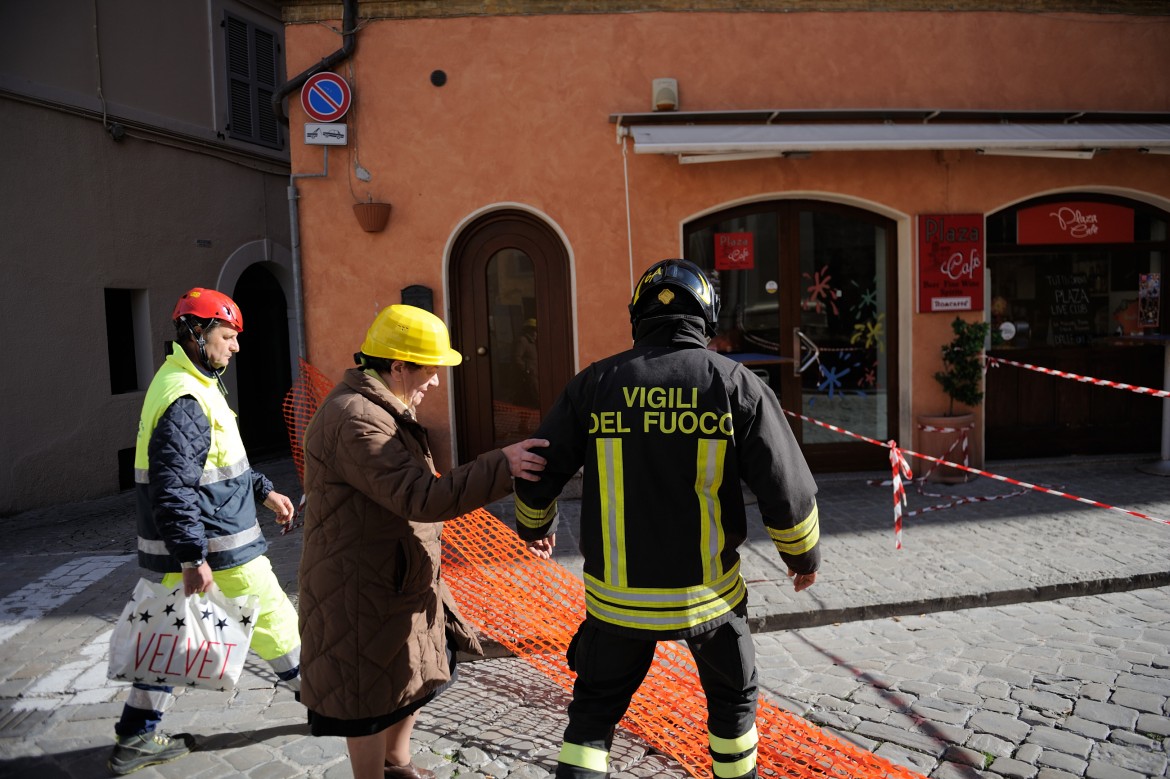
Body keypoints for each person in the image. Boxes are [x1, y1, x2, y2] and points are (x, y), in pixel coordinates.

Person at [513, 259, 822, 779]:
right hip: (708, 599)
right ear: (707, 317)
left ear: (638, 317)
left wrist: (534, 525)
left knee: (593, 711)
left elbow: (538, 464)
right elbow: (787, 487)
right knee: (732, 703)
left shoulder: (596, 383)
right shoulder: (734, 385)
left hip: (616, 602)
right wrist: (802, 557)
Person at [297, 304, 549, 779]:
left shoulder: (385, 407)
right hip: (360, 585)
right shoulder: (356, 418)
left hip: (396, 573)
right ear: (396, 367)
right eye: (428, 369)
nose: (435, 380)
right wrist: (503, 465)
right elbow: (420, 496)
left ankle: (398, 761)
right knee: (369, 693)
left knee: (424, 671)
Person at [109, 288, 302, 775]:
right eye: (226, 336)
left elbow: (216, 460)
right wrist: (194, 559)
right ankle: (326, 702)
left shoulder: (184, 380)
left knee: (166, 639)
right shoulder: (187, 396)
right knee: (278, 622)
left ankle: (135, 734)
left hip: (184, 550)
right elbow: (173, 487)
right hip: (220, 550)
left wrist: (261, 490)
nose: (235, 347)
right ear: (197, 335)